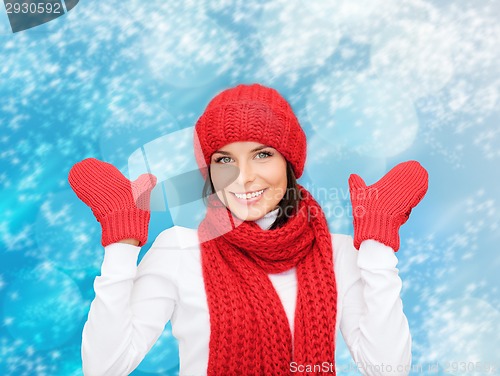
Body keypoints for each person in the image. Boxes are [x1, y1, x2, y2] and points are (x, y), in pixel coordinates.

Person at [68, 83, 428, 376]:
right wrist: (121, 243)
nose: (244, 176)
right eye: (224, 160)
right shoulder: (178, 249)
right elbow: (104, 367)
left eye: (262, 154)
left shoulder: (339, 253)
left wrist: (378, 243)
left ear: (290, 162)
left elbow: (389, 369)